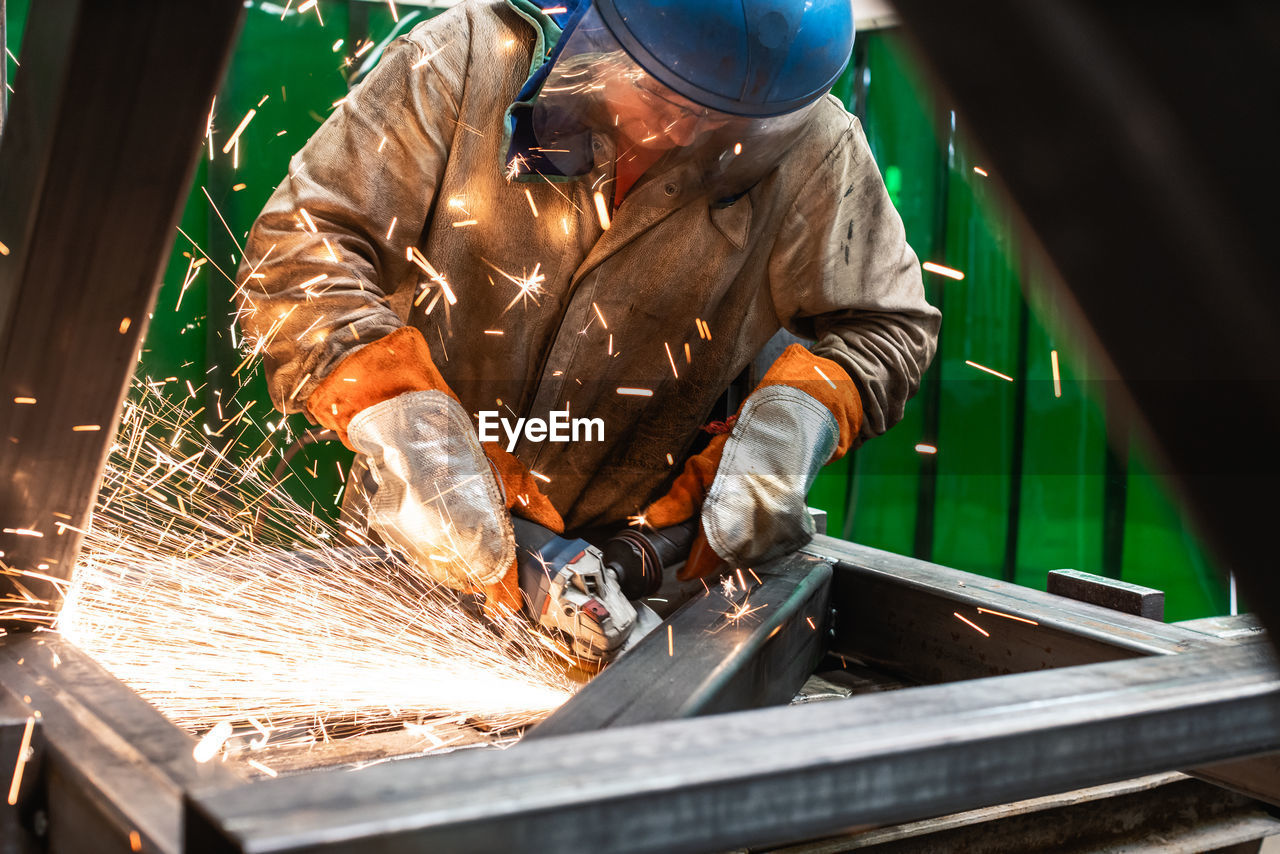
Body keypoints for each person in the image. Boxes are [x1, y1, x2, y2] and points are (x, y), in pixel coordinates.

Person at [237, 0, 940, 621]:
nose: (684, 131)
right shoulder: (465, 63)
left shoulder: (814, 145)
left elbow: (889, 328)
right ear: (606, 30)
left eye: (720, 118)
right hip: (418, 544)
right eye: (662, 95)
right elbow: (300, 253)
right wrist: (418, 440)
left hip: (649, 572)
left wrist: (781, 441)